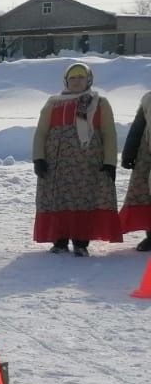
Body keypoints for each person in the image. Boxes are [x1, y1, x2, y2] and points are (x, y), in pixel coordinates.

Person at [32, 62, 121, 255]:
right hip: (57, 165)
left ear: (88, 80)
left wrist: (110, 162)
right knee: (58, 200)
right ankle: (60, 241)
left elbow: (108, 134)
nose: (76, 81)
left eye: (81, 77)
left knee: (83, 200)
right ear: (66, 80)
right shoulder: (53, 103)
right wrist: (38, 158)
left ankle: (81, 242)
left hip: (87, 164)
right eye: (72, 77)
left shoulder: (99, 102)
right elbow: (41, 133)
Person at [119, 90, 151, 250]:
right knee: (145, 194)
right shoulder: (148, 99)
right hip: (147, 158)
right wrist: (128, 154)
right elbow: (138, 128)